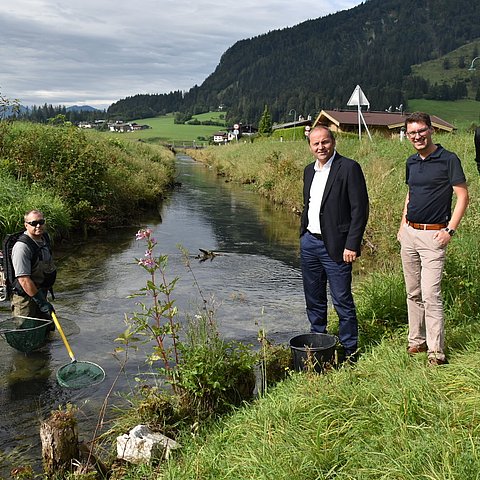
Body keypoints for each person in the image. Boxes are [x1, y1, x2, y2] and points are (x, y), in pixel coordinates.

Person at [397, 112, 469, 366]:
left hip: (434, 235)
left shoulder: (448, 159)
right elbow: (410, 193)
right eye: (412, 133)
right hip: (410, 234)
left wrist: (449, 230)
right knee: (412, 292)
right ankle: (416, 340)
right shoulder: (411, 162)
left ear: (431, 130)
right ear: (407, 135)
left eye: (421, 131)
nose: (417, 136)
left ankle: (436, 351)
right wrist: (402, 225)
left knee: (431, 294)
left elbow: (462, 196)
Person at [300, 126, 369, 363]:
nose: (321, 147)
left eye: (325, 142)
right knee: (314, 297)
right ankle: (319, 343)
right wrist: (302, 234)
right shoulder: (309, 171)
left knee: (341, 299)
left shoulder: (349, 168)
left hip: (338, 246)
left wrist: (352, 244)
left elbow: (360, 210)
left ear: (333, 141)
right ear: (310, 146)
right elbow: (309, 204)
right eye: (316, 143)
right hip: (309, 243)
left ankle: (350, 350)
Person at [11, 210, 56, 321]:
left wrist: (43, 299)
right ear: (26, 225)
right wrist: (41, 303)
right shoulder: (22, 248)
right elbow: (24, 279)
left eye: (41, 222)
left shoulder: (45, 238)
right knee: (25, 334)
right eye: (34, 223)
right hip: (25, 299)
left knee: (47, 331)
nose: (38, 225)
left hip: (41, 293)